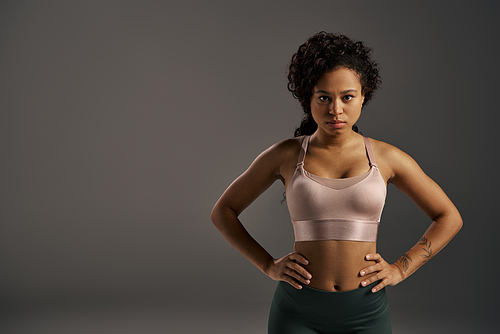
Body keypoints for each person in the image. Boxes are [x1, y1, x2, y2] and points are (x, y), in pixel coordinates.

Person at [210, 32, 462, 334]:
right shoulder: (286, 155)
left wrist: (401, 268)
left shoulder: (386, 157)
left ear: (363, 95)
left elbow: (449, 217)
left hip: (366, 311)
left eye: (347, 97)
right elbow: (223, 211)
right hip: (297, 311)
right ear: (309, 98)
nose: (336, 110)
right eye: (324, 98)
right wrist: (267, 264)